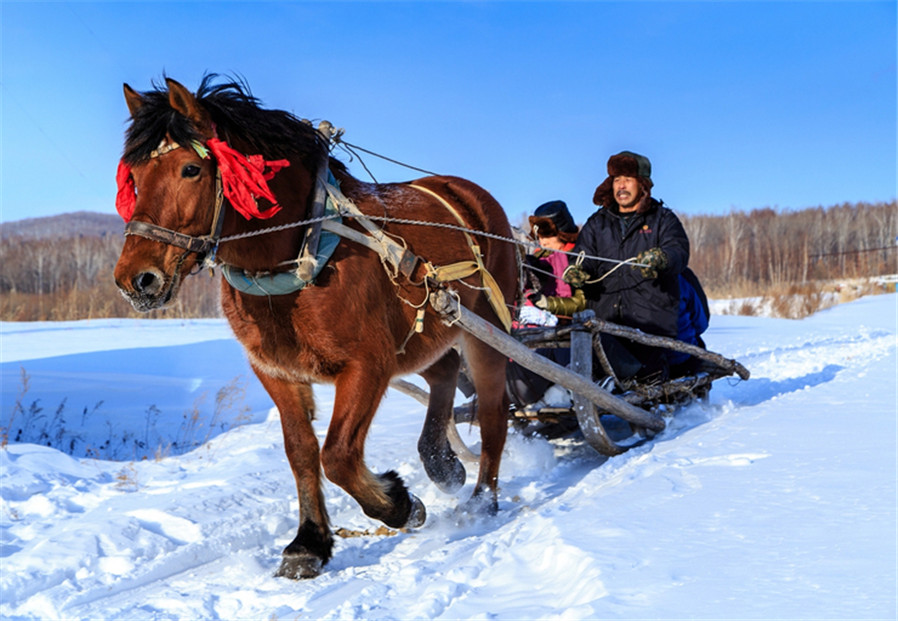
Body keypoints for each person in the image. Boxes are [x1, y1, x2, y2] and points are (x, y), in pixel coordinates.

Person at [554, 150, 691, 383]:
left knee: (649, 387)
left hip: (649, 324)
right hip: (605, 321)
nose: (621, 186)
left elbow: (678, 251)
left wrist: (661, 259)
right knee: (596, 378)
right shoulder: (597, 223)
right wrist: (579, 271)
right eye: (617, 180)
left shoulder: (663, 220)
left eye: (628, 180)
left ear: (643, 185)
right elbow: (582, 256)